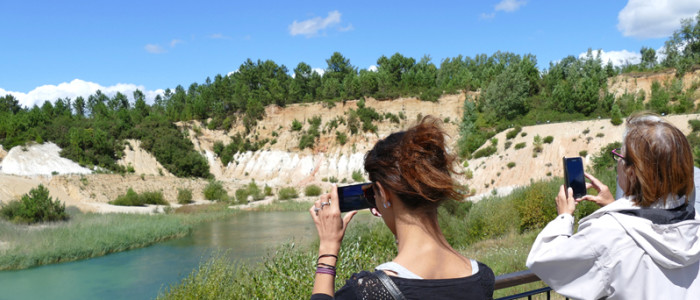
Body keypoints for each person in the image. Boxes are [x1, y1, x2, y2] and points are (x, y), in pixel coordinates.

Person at [309, 116, 494, 300]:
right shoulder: (482, 277)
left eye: (374, 194)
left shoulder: (369, 292)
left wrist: (328, 248)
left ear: (384, 192)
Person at [526, 113, 700, 299]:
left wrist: (564, 217)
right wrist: (616, 206)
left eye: (620, 156)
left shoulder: (608, 233)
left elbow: (544, 261)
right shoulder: (693, 221)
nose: (618, 162)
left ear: (632, 173)